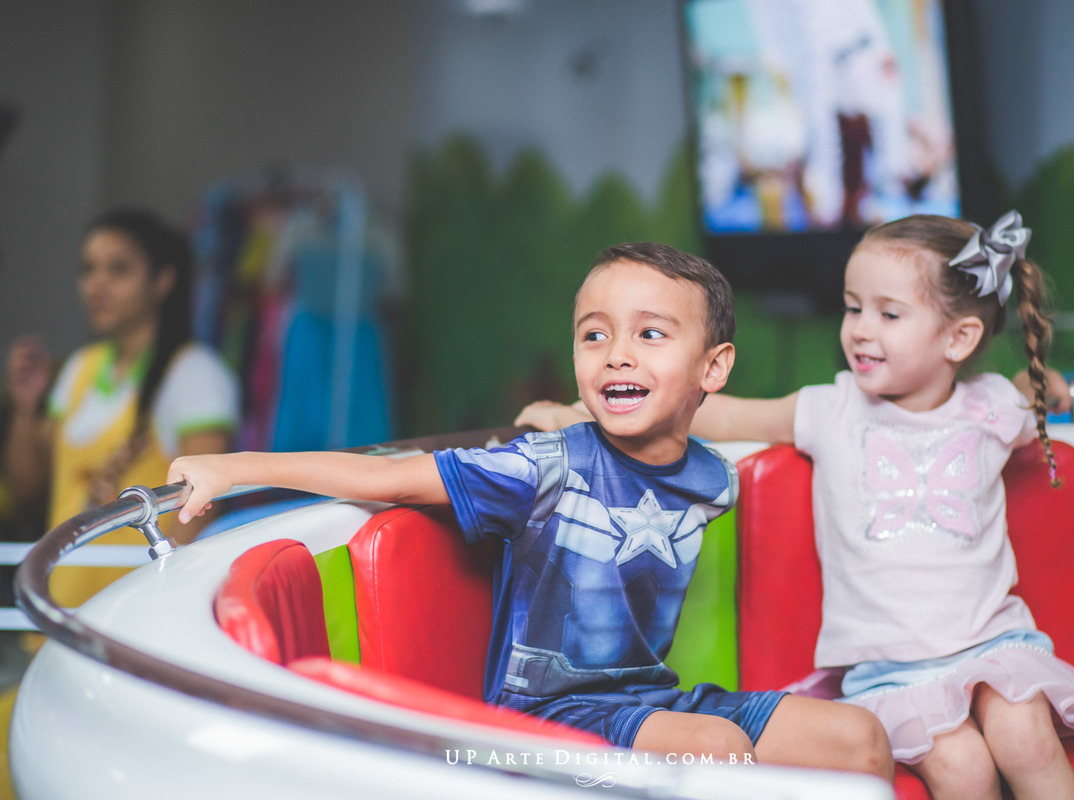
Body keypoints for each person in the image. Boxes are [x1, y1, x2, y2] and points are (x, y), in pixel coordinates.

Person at [169, 242, 893, 778]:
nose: (616, 354)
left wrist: (570, 411)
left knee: (859, 739)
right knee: (721, 752)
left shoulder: (711, 479)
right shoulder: (543, 467)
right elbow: (387, 478)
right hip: (550, 716)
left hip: (653, 700)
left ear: (713, 366)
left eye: (649, 334)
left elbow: (651, 438)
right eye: (594, 334)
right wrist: (234, 469)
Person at [516, 215, 1074, 798]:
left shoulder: (993, 406)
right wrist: (580, 413)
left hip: (994, 644)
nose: (860, 329)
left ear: (959, 338)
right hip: (892, 674)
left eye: (889, 314)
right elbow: (715, 411)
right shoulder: (832, 408)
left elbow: (1031, 391)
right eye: (853, 308)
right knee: (963, 767)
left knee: (1025, 737)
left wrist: (1046, 384)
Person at [3, 208, 239, 608]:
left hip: (132, 615)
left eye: (119, 269)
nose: (98, 283)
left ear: (162, 280)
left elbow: (202, 511)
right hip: (58, 606)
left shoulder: (194, 374)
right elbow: (27, 487)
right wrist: (25, 409)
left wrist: (157, 606)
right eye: (88, 269)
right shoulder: (80, 367)